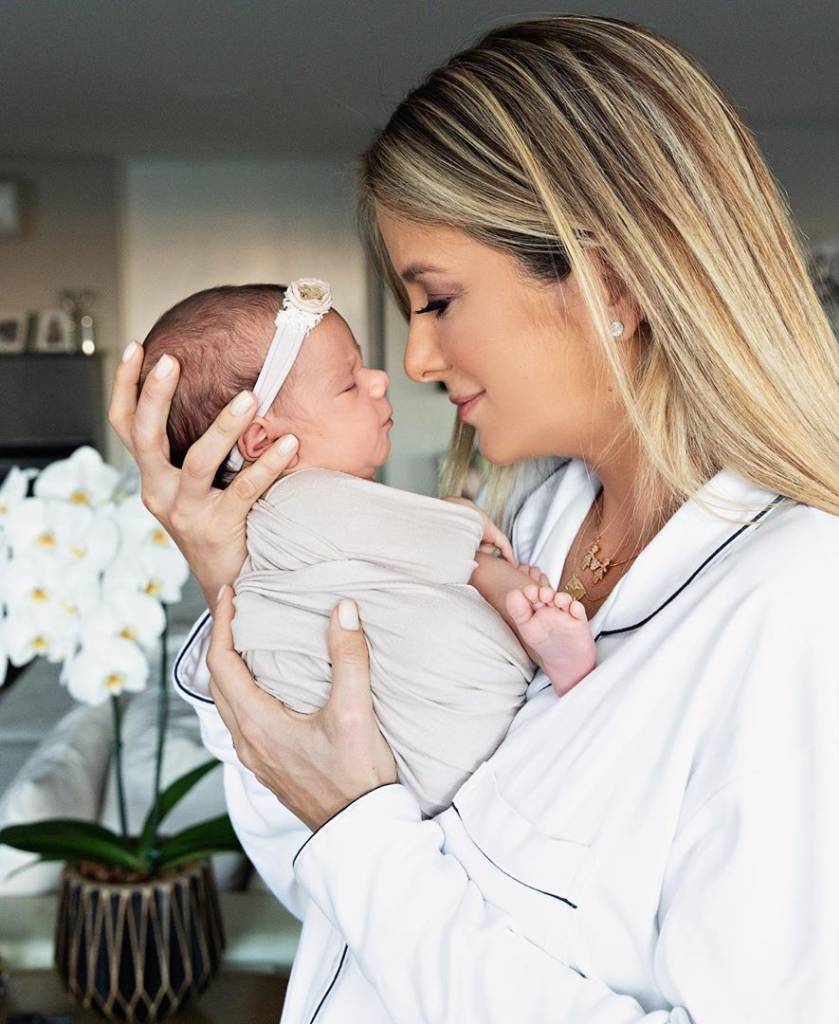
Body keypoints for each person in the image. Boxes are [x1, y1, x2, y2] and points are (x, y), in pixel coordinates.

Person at [109, 14, 839, 1023]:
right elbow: (330, 885)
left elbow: (362, 848)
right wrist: (238, 577)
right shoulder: (531, 520)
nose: (419, 361)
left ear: (607, 283)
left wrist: (360, 830)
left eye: (435, 302)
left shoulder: (808, 606)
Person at [137, 276, 597, 814]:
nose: (379, 379)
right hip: (444, 729)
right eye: (349, 384)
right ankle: (537, 641)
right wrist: (464, 517)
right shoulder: (302, 499)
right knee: (465, 583)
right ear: (262, 441)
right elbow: (438, 545)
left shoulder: (267, 535)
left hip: (396, 771)